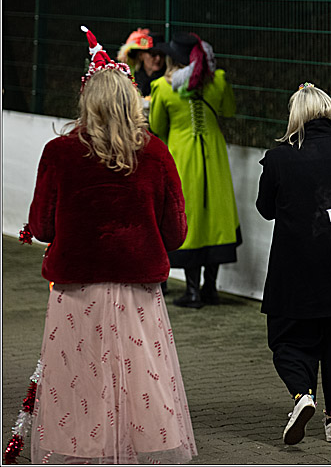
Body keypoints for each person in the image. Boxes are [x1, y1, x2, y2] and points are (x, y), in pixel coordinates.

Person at [24, 27, 197, 464]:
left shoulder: (59, 153)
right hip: (137, 286)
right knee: (142, 379)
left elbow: (42, 225)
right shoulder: (155, 154)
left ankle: (82, 451)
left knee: (78, 378)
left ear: (87, 102)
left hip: (75, 286)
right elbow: (176, 232)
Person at [255, 83, 331, 446]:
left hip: (295, 269)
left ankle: (302, 394)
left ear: (296, 116)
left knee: (289, 340)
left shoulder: (278, 157)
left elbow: (265, 209)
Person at [150, 31, 241, 309]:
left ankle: (191, 291)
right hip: (214, 157)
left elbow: (157, 126)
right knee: (215, 216)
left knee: (190, 215)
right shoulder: (219, 81)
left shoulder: (163, 88)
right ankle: (210, 289)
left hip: (182, 156)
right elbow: (229, 111)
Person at [117, 27, 166, 98]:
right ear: (141, 55)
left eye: (161, 54)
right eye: (153, 54)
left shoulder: (167, 78)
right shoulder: (131, 77)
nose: (158, 58)